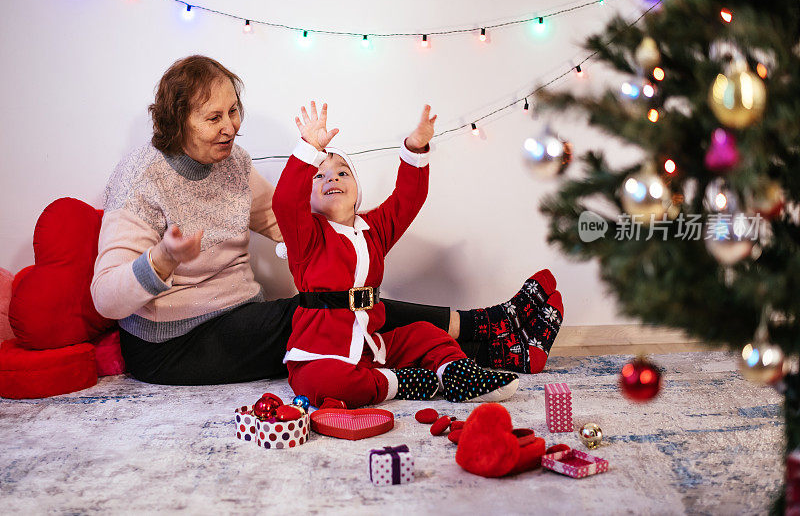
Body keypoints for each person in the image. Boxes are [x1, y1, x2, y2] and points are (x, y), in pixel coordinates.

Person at [90, 55, 564, 386]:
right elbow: (106, 297)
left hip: (241, 315)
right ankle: (490, 333)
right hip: (174, 343)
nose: (231, 127)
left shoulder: (232, 162)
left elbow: (281, 221)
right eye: (214, 117)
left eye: (234, 111)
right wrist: (163, 259)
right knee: (327, 313)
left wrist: (337, 241)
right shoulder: (140, 177)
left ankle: (488, 330)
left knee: (342, 302)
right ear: (177, 122)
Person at [273, 102, 519, 407]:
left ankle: (456, 374)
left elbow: (408, 199)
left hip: (372, 347)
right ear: (308, 197)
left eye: (341, 172)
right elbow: (285, 201)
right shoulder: (305, 237)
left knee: (426, 332)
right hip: (320, 354)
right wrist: (310, 148)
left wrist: (415, 149)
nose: (332, 179)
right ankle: (396, 383)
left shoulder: (373, 228)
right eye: (319, 176)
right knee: (321, 384)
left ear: (356, 188)